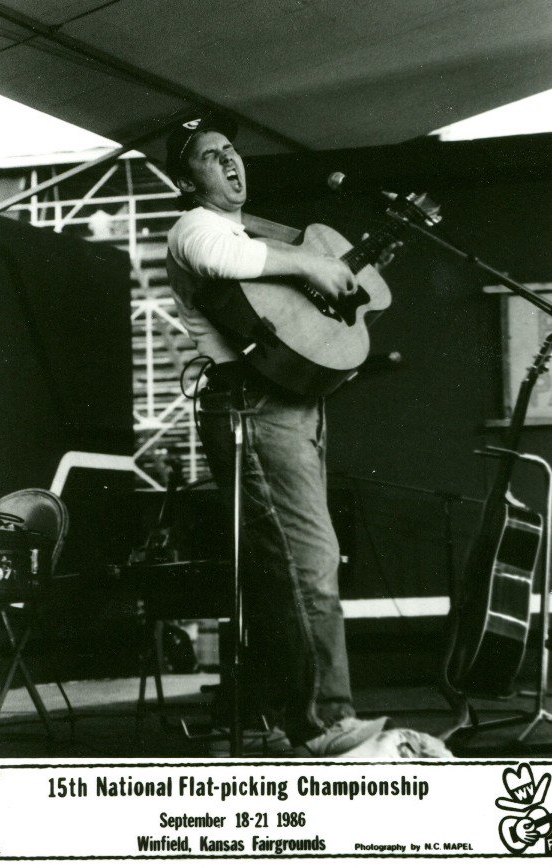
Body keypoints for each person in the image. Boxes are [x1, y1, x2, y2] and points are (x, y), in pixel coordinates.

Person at [165, 111, 396, 756]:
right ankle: (325, 724)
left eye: (233, 151)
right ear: (188, 181)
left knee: (284, 568)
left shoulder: (255, 232)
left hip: (289, 406)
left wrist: (340, 276)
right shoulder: (196, 228)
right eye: (212, 156)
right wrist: (312, 268)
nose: (232, 161)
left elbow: (316, 283)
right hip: (252, 407)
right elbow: (224, 256)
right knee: (306, 560)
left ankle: (283, 720)